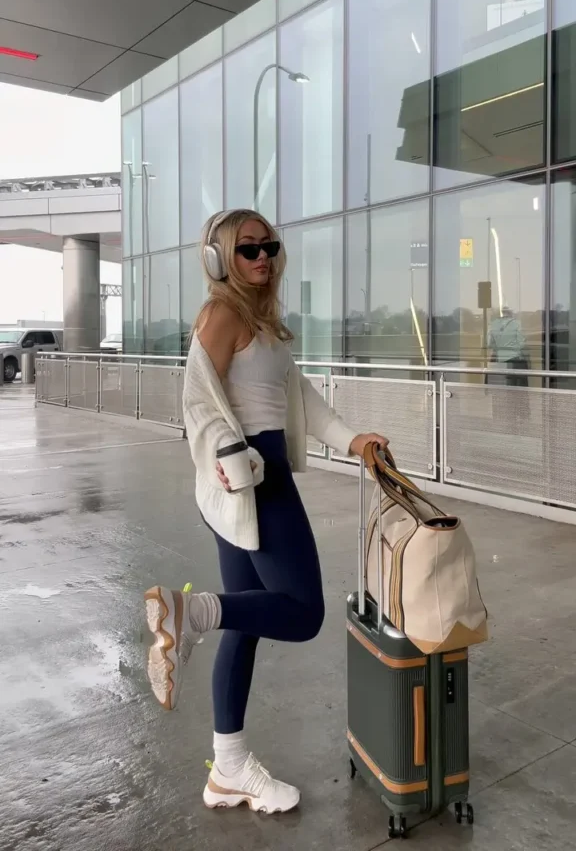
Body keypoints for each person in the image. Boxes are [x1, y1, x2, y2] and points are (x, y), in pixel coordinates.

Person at [143, 209, 388, 815]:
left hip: (256, 482)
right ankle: (190, 613)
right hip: (253, 482)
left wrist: (355, 441)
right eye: (247, 248)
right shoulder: (222, 315)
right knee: (303, 612)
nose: (261, 258)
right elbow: (196, 403)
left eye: (269, 247)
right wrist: (231, 457)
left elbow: (298, 396)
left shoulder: (263, 321)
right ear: (219, 258)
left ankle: (227, 770)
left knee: (250, 625)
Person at [488, 306, 528, 384]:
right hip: (513, 358)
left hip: (498, 358)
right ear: (511, 313)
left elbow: (490, 343)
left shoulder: (494, 323)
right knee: (514, 383)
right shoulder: (516, 323)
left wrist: (499, 349)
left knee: (499, 383)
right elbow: (522, 343)